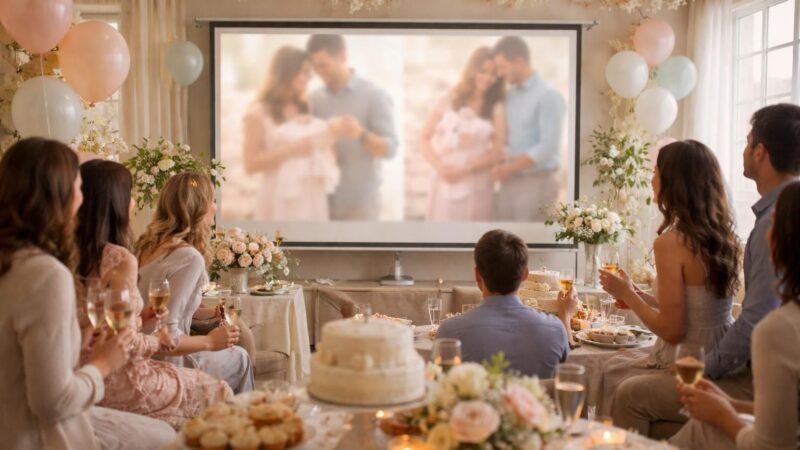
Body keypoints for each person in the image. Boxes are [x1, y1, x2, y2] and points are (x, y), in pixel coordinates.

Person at [610, 104, 800, 438]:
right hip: (731, 352)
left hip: (750, 369)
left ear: (760, 152)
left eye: (747, 142)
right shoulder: (732, 231)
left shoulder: (776, 221)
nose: (651, 180)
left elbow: (757, 318)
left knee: (623, 385)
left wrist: (703, 368)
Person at [0, 138, 175, 449]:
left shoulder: (13, 261)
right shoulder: (45, 274)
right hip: (31, 435)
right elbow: (52, 403)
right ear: (60, 197)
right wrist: (104, 364)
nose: (82, 200)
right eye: (79, 188)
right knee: (166, 438)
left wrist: (77, 338)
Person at [75, 160, 233, 428]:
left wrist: (141, 317)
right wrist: (207, 341)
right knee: (227, 380)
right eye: (131, 195)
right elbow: (128, 341)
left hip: (90, 369)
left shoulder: (74, 255)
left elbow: (105, 327)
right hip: (124, 375)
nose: (135, 203)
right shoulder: (121, 258)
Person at [597, 140, 741, 418]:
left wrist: (627, 294)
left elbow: (673, 330)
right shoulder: (726, 237)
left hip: (689, 358)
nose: (652, 179)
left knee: (609, 373)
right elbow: (698, 306)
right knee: (613, 366)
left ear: (675, 183)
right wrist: (638, 294)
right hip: (721, 352)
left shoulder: (671, 242)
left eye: (656, 171)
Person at [670, 180, 800, 450]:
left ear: (783, 243)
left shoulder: (778, 330)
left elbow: (771, 446)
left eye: (773, 225)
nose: (765, 235)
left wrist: (722, 414)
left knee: (702, 428)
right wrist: (729, 404)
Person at [136, 172, 255, 394]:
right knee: (241, 357)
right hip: (169, 364)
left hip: (139, 355)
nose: (215, 207)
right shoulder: (189, 257)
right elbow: (168, 335)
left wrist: (207, 311)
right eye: (212, 201)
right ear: (199, 208)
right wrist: (210, 341)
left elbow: (166, 310)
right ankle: (240, 422)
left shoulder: (145, 247)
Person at [436, 229, 574, 378]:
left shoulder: (449, 334)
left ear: (477, 274)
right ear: (525, 274)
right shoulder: (556, 330)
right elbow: (570, 375)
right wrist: (565, 317)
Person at [306, 34, 399, 221]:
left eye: (323, 64)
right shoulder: (313, 98)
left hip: (360, 205)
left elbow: (390, 150)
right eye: (314, 66)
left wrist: (360, 134)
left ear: (342, 57)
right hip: (320, 202)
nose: (318, 72)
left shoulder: (375, 95)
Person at [242, 46, 341, 221]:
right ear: (286, 72)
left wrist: (326, 147)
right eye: (304, 71)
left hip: (309, 196)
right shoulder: (258, 112)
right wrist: (290, 151)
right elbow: (250, 164)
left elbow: (318, 150)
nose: (310, 77)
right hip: (275, 196)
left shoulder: (305, 107)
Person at [420, 46, 505, 221]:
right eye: (483, 71)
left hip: (477, 182)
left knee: (473, 237)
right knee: (443, 236)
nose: (488, 78)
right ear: (472, 69)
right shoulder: (449, 99)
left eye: (493, 73)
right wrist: (439, 167)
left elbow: (497, 152)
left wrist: (465, 169)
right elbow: (423, 138)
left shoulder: (496, 107)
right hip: (445, 179)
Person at [491, 36, 566, 222]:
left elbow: (548, 147)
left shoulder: (548, 95)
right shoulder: (510, 95)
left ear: (519, 61)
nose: (499, 73)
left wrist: (509, 169)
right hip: (509, 183)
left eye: (502, 66)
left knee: (527, 247)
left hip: (536, 183)